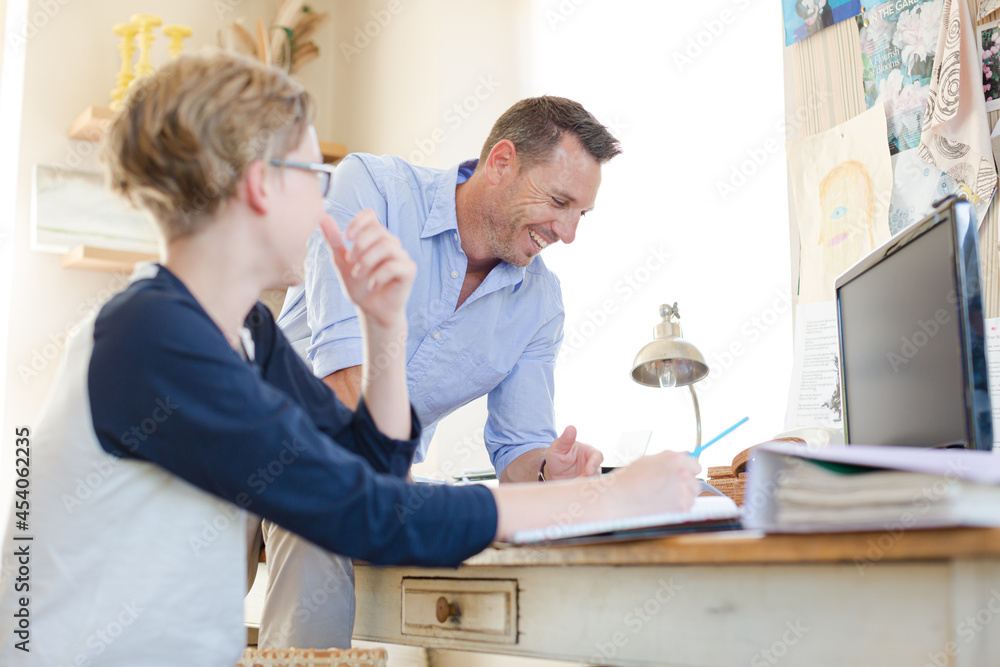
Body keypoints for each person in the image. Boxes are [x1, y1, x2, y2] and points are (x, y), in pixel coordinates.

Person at [0, 52, 701, 666]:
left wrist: (385, 324)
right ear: (258, 183)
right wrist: (601, 497)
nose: (326, 195)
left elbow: (371, 463)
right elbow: (362, 509)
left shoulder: (246, 330)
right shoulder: (150, 335)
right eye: (313, 172)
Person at [262, 96, 621, 648]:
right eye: (559, 201)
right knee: (316, 513)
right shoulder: (372, 189)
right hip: (255, 430)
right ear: (501, 162)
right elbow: (342, 380)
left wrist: (554, 474)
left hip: (364, 480)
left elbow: (520, 455)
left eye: (582, 214)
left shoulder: (540, 303)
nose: (569, 232)